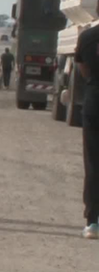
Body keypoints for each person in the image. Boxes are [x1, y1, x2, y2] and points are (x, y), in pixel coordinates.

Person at [74, 23, 99, 239]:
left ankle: (93, 222)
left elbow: (82, 69)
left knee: (93, 162)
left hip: (94, 103)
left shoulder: (87, 36)